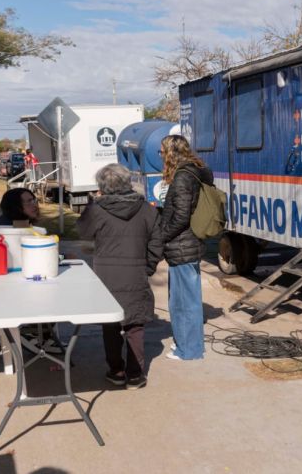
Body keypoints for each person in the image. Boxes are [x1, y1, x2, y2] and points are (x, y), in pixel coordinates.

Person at [77, 163, 163, 389]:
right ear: (127, 183)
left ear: (102, 186)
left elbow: (84, 238)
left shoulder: (95, 210)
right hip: (135, 272)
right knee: (135, 325)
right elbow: (157, 242)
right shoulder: (147, 209)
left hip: (106, 274)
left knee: (111, 324)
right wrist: (148, 266)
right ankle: (135, 375)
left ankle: (116, 370)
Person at [158, 135, 213, 361]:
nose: (161, 155)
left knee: (184, 302)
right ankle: (186, 344)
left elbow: (181, 216)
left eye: (162, 151)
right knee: (184, 300)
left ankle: (189, 350)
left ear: (171, 152)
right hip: (189, 243)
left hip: (182, 245)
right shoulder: (196, 170)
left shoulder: (182, 177)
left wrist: (161, 236)